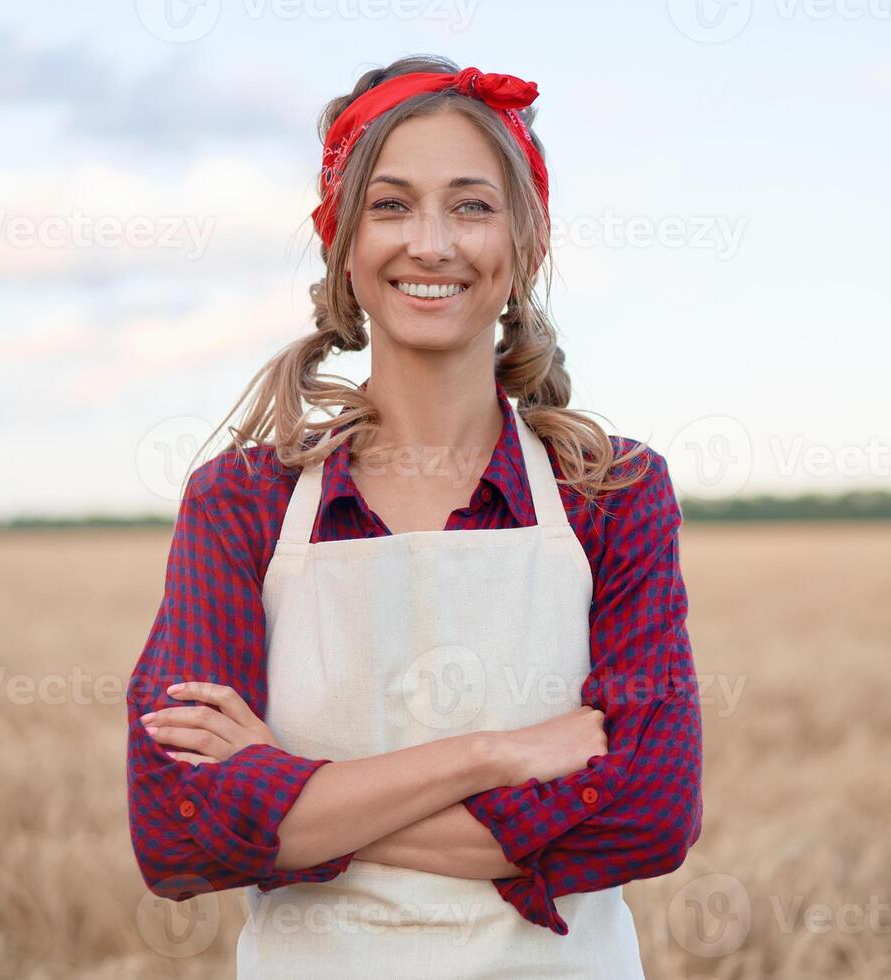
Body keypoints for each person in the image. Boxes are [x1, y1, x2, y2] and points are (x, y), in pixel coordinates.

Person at [125, 54, 703, 979]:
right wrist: (497, 754)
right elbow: (177, 831)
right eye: (391, 205)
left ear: (527, 244)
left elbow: (650, 814)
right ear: (343, 244)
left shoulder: (614, 492)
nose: (430, 243)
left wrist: (282, 799)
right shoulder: (241, 502)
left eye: (471, 206)